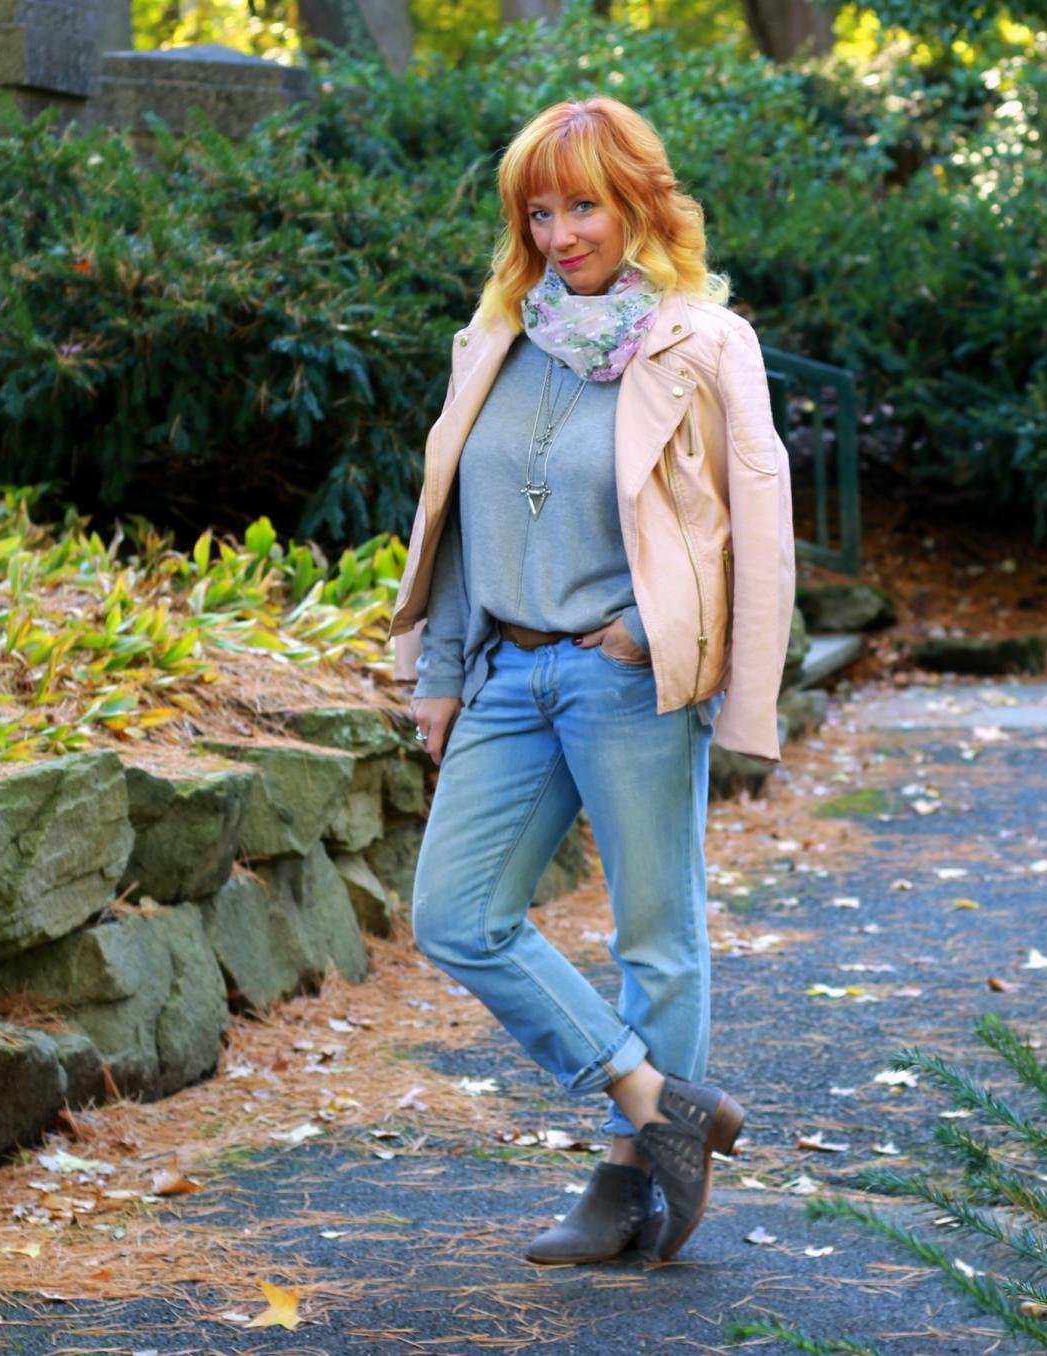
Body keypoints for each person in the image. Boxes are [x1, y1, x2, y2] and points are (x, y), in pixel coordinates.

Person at [386, 96, 796, 1266]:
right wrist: (444, 669)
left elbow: (752, 528)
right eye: (541, 210)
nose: (563, 232)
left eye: (585, 206)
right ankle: (653, 1099)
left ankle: (626, 1191)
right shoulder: (497, 337)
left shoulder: (702, 343)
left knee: (656, 936)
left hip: (627, 677)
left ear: (637, 205)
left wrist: (678, 649)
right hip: (509, 674)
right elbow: (457, 517)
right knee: (457, 915)